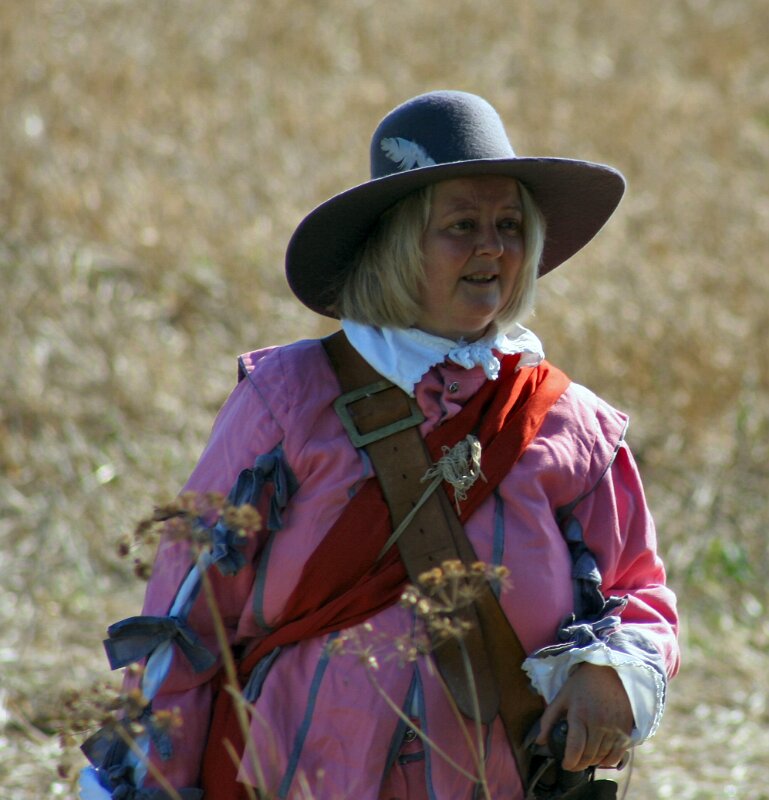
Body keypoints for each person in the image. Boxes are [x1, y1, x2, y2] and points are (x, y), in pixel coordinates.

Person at [80, 90, 680, 800]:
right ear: (397, 246)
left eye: (510, 224)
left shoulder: (569, 423)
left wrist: (609, 672)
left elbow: (637, 591)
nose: (493, 246)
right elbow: (190, 612)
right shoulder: (288, 400)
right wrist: (149, 783)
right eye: (462, 225)